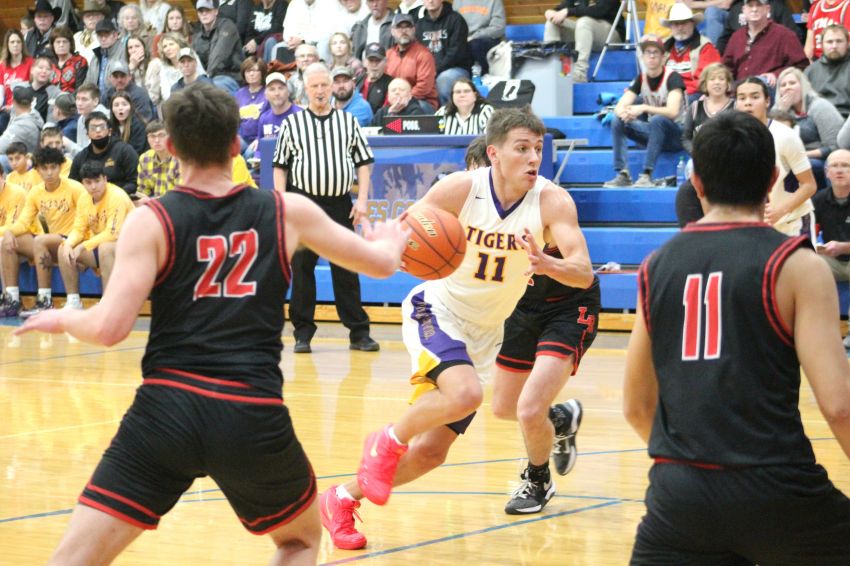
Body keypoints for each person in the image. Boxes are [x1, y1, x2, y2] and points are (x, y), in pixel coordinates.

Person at [13, 81, 409, 566]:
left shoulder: (150, 219)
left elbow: (110, 328)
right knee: (300, 541)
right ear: (237, 144)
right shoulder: (287, 212)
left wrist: (58, 318)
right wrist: (391, 240)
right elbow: (380, 265)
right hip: (248, 410)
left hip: (165, 411)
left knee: (73, 559)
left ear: (172, 147)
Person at [319, 107, 594, 549]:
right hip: (437, 311)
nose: (532, 158)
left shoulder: (552, 201)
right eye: (522, 149)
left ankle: (338, 498)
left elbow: (584, 272)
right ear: (494, 154)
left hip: (487, 335)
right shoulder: (462, 188)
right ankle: (386, 439)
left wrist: (549, 263)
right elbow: (408, 230)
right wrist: (387, 244)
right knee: (467, 395)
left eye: (538, 149)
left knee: (430, 453)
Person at [623, 109, 850, 565]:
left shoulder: (656, 266)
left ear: (697, 184)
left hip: (678, 497)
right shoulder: (798, 265)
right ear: (771, 179)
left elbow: (636, 407)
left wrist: (694, 468)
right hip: (778, 488)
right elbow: (839, 405)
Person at [272, 63, 380, 353]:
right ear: (305, 90)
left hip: (339, 204)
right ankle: (302, 334)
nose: (320, 91)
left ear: (332, 87)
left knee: (346, 266)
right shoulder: (292, 124)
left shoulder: (348, 122)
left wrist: (362, 200)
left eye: (324, 85)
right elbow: (280, 168)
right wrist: (282, 203)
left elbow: (363, 164)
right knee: (302, 268)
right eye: (314, 86)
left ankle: (359, 332)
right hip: (303, 204)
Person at [0, 146, 84, 316]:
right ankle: (12, 299)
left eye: (53, 167)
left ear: (60, 167)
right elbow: (23, 222)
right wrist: (9, 231)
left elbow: (84, 222)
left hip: (74, 242)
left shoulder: (75, 188)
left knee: (39, 240)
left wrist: (72, 241)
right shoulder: (35, 192)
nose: (49, 173)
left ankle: (45, 300)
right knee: (7, 240)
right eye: (44, 168)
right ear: (37, 170)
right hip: (49, 243)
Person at [736, 76, 817, 236]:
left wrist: (781, 210)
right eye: (742, 98)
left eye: (755, 97)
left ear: (767, 101)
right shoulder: (733, 138)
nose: (747, 103)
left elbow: (810, 185)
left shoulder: (785, 135)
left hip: (792, 222)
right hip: (755, 227)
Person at [603, 35, 686, 188]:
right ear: (643, 56)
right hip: (655, 133)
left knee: (658, 119)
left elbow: (673, 112)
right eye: (648, 52)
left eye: (656, 52)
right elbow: (621, 105)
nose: (652, 56)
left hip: (677, 135)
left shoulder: (673, 77)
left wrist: (644, 108)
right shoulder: (641, 78)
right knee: (617, 119)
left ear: (663, 56)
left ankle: (647, 174)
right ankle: (623, 174)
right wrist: (624, 112)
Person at [59, 160, 134, 309]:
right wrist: (68, 244)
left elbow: (113, 233)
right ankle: (73, 301)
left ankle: (109, 302)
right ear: (83, 184)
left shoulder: (117, 196)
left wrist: (82, 246)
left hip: (132, 246)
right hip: (101, 246)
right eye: (88, 182)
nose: (93, 186)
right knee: (63, 249)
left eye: (97, 181)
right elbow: (79, 229)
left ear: (105, 179)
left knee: (105, 248)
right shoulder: (84, 199)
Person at [774, 66, 843, 189]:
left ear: (803, 86)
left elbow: (834, 146)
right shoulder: (779, 109)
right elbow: (773, 141)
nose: (787, 87)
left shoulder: (820, 107)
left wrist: (804, 154)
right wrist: (781, 112)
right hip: (793, 157)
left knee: (799, 166)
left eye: (792, 83)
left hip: (822, 158)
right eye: (783, 85)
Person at [812, 149, 850, 347]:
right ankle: (819, 330)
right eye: (834, 165)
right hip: (830, 260)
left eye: (845, 165)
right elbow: (808, 232)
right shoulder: (818, 200)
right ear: (826, 172)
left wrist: (844, 247)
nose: (840, 170)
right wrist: (814, 247)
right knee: (808, 266)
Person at [722, 0, 808, 86]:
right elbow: (727, 68)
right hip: (740, 91)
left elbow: (801, 66)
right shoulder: (736, 37)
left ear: (767, 9)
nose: (754, 9)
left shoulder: (785, 35)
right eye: (750, 6)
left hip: (770, 89)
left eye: (759, 5)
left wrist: (776, 75)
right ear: (744, 10)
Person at [543, 0, 621, 83]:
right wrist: (551, 12)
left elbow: (599, 11)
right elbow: (561, 9)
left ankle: (579, 73)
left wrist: (568, 11)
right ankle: (556, 71)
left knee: (584, 22)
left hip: (612, 35)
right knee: (552, 23)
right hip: (586, 32)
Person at [416, 0, 473, 105]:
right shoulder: (419, 24)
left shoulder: (456, 20)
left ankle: (447, 116)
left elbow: (455, 53)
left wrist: (434, 71)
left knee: (443, 80)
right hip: (429, 71)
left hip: (455, 69)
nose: (431, 1)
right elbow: (418, 53)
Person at [661, 4, 720, 103]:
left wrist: (676, 94)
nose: (680, 27)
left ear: (693, 24)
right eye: (676, 23)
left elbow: (706, 81)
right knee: (635, 101)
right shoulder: (663, 46)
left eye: (684, 23)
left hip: (691, 95)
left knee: (658, 118)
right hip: (664, 93)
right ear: (670, 26)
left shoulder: (706, 47)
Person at [70, 111, 140, 194]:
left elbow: (134, 182)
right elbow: (73, 185)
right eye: (93, 128)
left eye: (102, 127)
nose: (98, 131)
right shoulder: (80, 157)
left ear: (110, 131)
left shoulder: (125, 151)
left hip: (120, 198)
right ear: (87, 134)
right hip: (90, 200)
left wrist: (114, 196)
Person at [386, 13, 439, 111]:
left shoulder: (424, 54)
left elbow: (424, 87)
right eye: (399, 28)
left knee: (410, 109)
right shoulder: (389, 54)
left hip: (422, 102)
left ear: (414, 30)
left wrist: (403, 100)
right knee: (381, 112)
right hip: (394, 101)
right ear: (392, 31)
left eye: (408, 27)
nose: (404, 31)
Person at [192, 0, 244, 94]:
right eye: (201, 11)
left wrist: (206, 78)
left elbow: (219, 55)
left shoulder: (227, 26)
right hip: (208, 79)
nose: (204, 14)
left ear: (215, 11)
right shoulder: (197, 37)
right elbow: (195, 61)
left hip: (231, 77)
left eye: (207, 10)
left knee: (209, 90)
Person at [681, 62, 734, 154]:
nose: (717, 82)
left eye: (721, 79)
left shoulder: (736, 106)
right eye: (712, 79)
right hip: (700, 159)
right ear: (705, 84)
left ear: (728, 84)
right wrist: (696, 153)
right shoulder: (695, 107)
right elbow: (685, 138)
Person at [805, 25, 850, 119]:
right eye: (829, 42)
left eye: (839, 41)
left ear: (848, 43)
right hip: (817, 118)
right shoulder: (810, 71)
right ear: (821, 44)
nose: (834, 46)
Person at [454, 0, 506, 75]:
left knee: (475, 45)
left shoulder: (494, 1)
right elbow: (454, 23)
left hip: (487, 39)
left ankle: (485, 74)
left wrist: (474, 36)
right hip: (464, 39)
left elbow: (499, 28)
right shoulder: (458, 1)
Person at [256, 71, 302, 143]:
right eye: (272, 89)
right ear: (265, 95)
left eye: (280, 88)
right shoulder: (264, 118)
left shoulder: (300, 115)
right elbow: (260, 149)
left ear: (288, 92)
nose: (277, 93)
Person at [84, 18, 127, 94]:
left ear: (115, 35)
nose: (103, 39)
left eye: (106, 35)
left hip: (117, 98)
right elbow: (88, 83)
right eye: (100, 35)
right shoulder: (96, 56)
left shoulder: (124, 50)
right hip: (96, 100)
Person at [0, 86, 44, 156]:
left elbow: (1, 147)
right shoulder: (34, 114)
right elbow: (15, 109)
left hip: (26, 160)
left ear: (13, 101)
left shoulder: (22, 125)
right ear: (32, 100)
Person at [235, 56, 268, 148]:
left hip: (262, 138)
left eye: (255, 70)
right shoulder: (239, 94)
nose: (251, 74)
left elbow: (271, 121)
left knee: (248, 154)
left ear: (262, 73)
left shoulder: (268, 93)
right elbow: (234, 120)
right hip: (243, 139)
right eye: (248, 71)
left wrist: (259, 138)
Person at [136, 120, 175, 198]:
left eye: (161, 135)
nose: (157, 140)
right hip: (155, 203)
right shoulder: (145, 158)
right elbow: (143, 189)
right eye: (152, 136)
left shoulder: (181, 159)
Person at [0, 30, 34, 113]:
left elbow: (34, 90)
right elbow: (0, 93)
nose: (15, 45)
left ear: (22, 44)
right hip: (6, 108)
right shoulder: (2, 65)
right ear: (7, 45)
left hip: (25, 109)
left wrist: (12, 107)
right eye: (12, 42)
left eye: (18, 42)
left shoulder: (31, 63)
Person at [110, 90, 149, 155]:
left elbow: (137, 151)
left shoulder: (139, 125)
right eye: (116, 105)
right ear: (112, 109)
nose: (120, 108)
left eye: (124, 104)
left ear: (130, 107)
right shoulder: (110, 126)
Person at [357, 42, 392, 113]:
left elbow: (388, 112)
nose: (374, 64)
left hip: (380, 122)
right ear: (364, 62)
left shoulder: (391, 84)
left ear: (385, 62)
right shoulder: (357, 80)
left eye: (378, 61)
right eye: (371, 60)